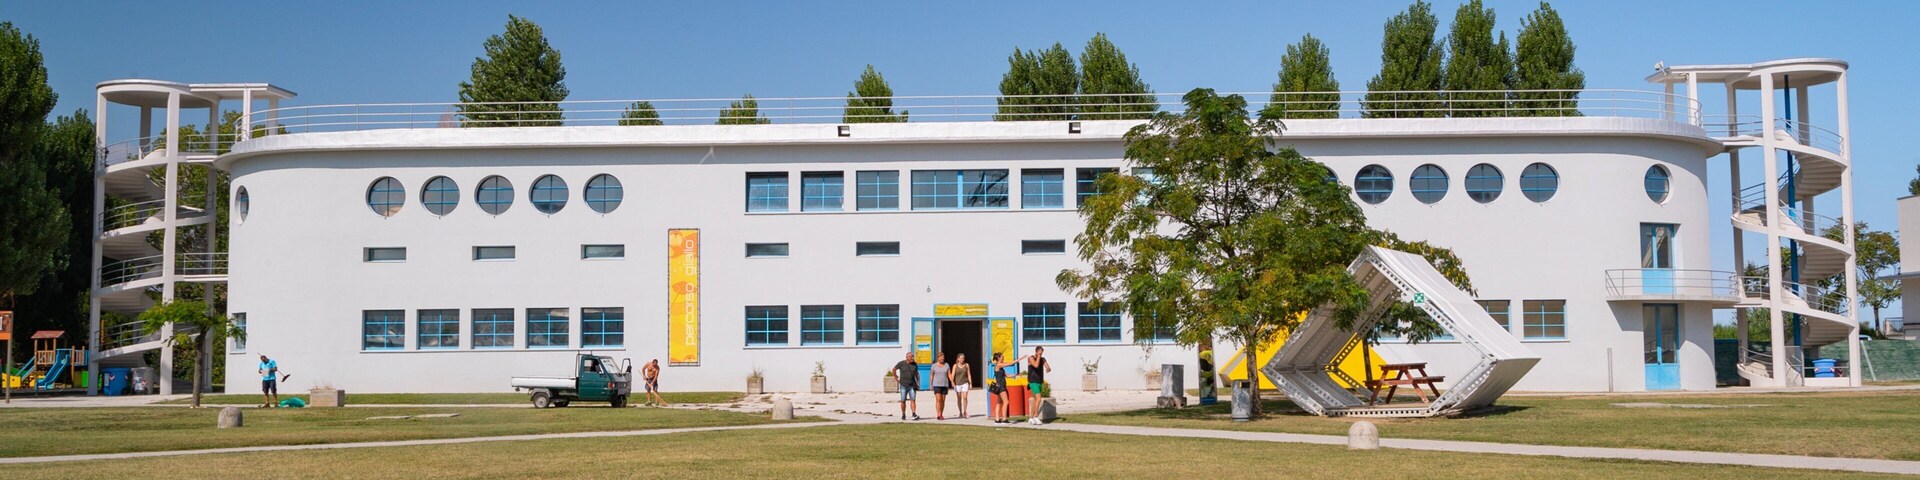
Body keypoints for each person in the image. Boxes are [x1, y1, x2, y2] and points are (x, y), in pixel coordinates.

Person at [889, 351, 920, 420]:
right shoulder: (901, 363)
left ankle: (914, 413)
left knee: (913, 399)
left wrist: (918, 383)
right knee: (903, 400)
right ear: (907, 357)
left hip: (912, 385)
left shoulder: (914, 364)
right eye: (911, 357)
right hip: (903, 385)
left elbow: (917, 374)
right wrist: (896, 377)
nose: (912, 358)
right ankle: (903, 414)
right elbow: (894, 369)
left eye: (913, 357)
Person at [1026, 346, 1051, 425]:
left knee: (1034, 400)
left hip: (1039, 381)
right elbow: (1036, 365)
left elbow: (1048, 367)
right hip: (1032, 381)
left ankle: (1031, 417)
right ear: (1036, 352)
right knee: (1039, 398)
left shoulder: (1043, 359)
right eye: (1039, 352)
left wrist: (1048, 368)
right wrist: (1039, 357)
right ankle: (1036, 416)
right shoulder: (1031, 358)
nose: (1041, 354)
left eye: (1042, 352)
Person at [990, 352, 1015, 424]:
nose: (1003, 358)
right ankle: (1004, 419)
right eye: (1002, 357)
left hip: (1001, 386)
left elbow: (1007, 375)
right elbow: (1010, 364)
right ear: (998, 358)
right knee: (1006, 402)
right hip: (1000, 387)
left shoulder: (1001, 368)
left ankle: (997, 419)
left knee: (999, 403)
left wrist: (1016, 374)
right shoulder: (998, 365)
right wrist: (1019, 359)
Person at [951, 353, 972, 420]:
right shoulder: (955, 366)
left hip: (965, 383)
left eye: (963, 358)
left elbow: (969, 374)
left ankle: (965, 411)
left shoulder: (966, 365)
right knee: (959, 398)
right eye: (961, 358)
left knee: (965, 397)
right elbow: (953, 374)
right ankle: (960, 412)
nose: (962, 359)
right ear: (958, 359)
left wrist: (970, 383)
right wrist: (952, 382)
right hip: (957, 384)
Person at [930, 351, 951, 420]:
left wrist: (952, 382)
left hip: (944, 384)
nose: (942, 358)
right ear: (938, 358)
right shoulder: (934, 366)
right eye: (941, 357)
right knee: (938, 399)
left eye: (943, 357)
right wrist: (931, 384)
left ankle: (941, 413)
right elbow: (931, 375)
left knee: (943, 400)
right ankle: (938, 414)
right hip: (936, 384)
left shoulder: (946, 365)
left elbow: (949, 374)